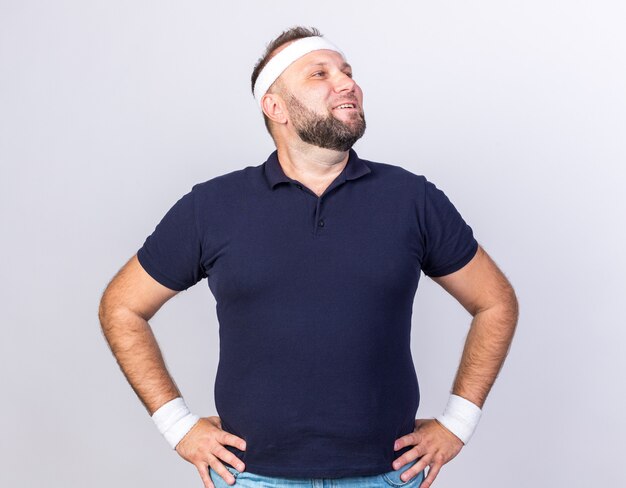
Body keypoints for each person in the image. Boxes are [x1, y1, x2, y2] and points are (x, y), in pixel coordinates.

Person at [99, 26, 518, 488]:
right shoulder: (212, 206)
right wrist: (177, 425)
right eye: (320, 74)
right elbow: (122, 306)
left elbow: (495, 301)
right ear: (274, 106)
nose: (346, 83)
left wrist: (458, 422)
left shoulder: (411, 199)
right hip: (251, 475)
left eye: (347, 72)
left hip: (386, 474)